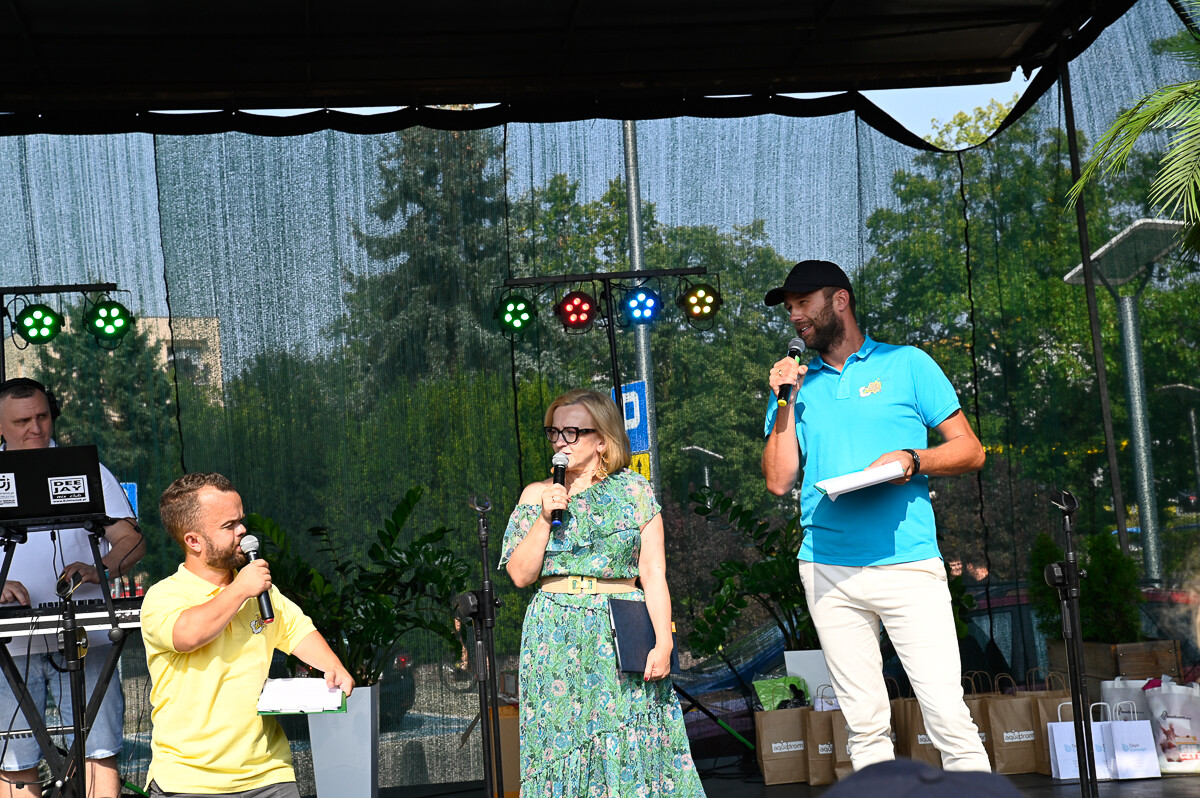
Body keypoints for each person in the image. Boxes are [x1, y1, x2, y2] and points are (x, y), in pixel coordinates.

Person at [761, 260, 991, 772]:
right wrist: (783, 404)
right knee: (863, 728)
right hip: (827, 568)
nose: (795, 316)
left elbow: (971, 451)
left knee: (947, 717)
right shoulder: (795, 388)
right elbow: (778, 480)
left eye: (804, 303)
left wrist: (913, 459)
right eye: (790, 307)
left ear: (839, 300)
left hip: (907, 564)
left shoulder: (907, 364)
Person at [501, 389, 704, 797]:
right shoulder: (536, 495)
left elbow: (654, 573)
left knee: (627, 739)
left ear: (602, 440)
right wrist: (544, 518)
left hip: (620, 631)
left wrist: (664, 642)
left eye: (573, 432)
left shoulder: (635, 491)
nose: (561, 441)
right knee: (560, 744)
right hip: (555, 635)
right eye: (554, 431)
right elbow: (520, 575)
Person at [141, 473, 354, 797]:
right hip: (189, 781)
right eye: (229, 526)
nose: (242, 531)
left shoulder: (261, 591)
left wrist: (332, 665)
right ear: (194, 541)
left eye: (241, 520)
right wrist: (240, 589)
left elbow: (295, 628)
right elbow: (188, 634)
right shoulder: (164, 596)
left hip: (268, 774)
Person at [0, 378, 145, 798]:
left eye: (43, 416)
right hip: (8, 644)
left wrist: (100, 568)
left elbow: (132, 540)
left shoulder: (87, 470)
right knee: (14, 763)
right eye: (22, 421)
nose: (36, 428)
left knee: (98, 752)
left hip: (85, 638)